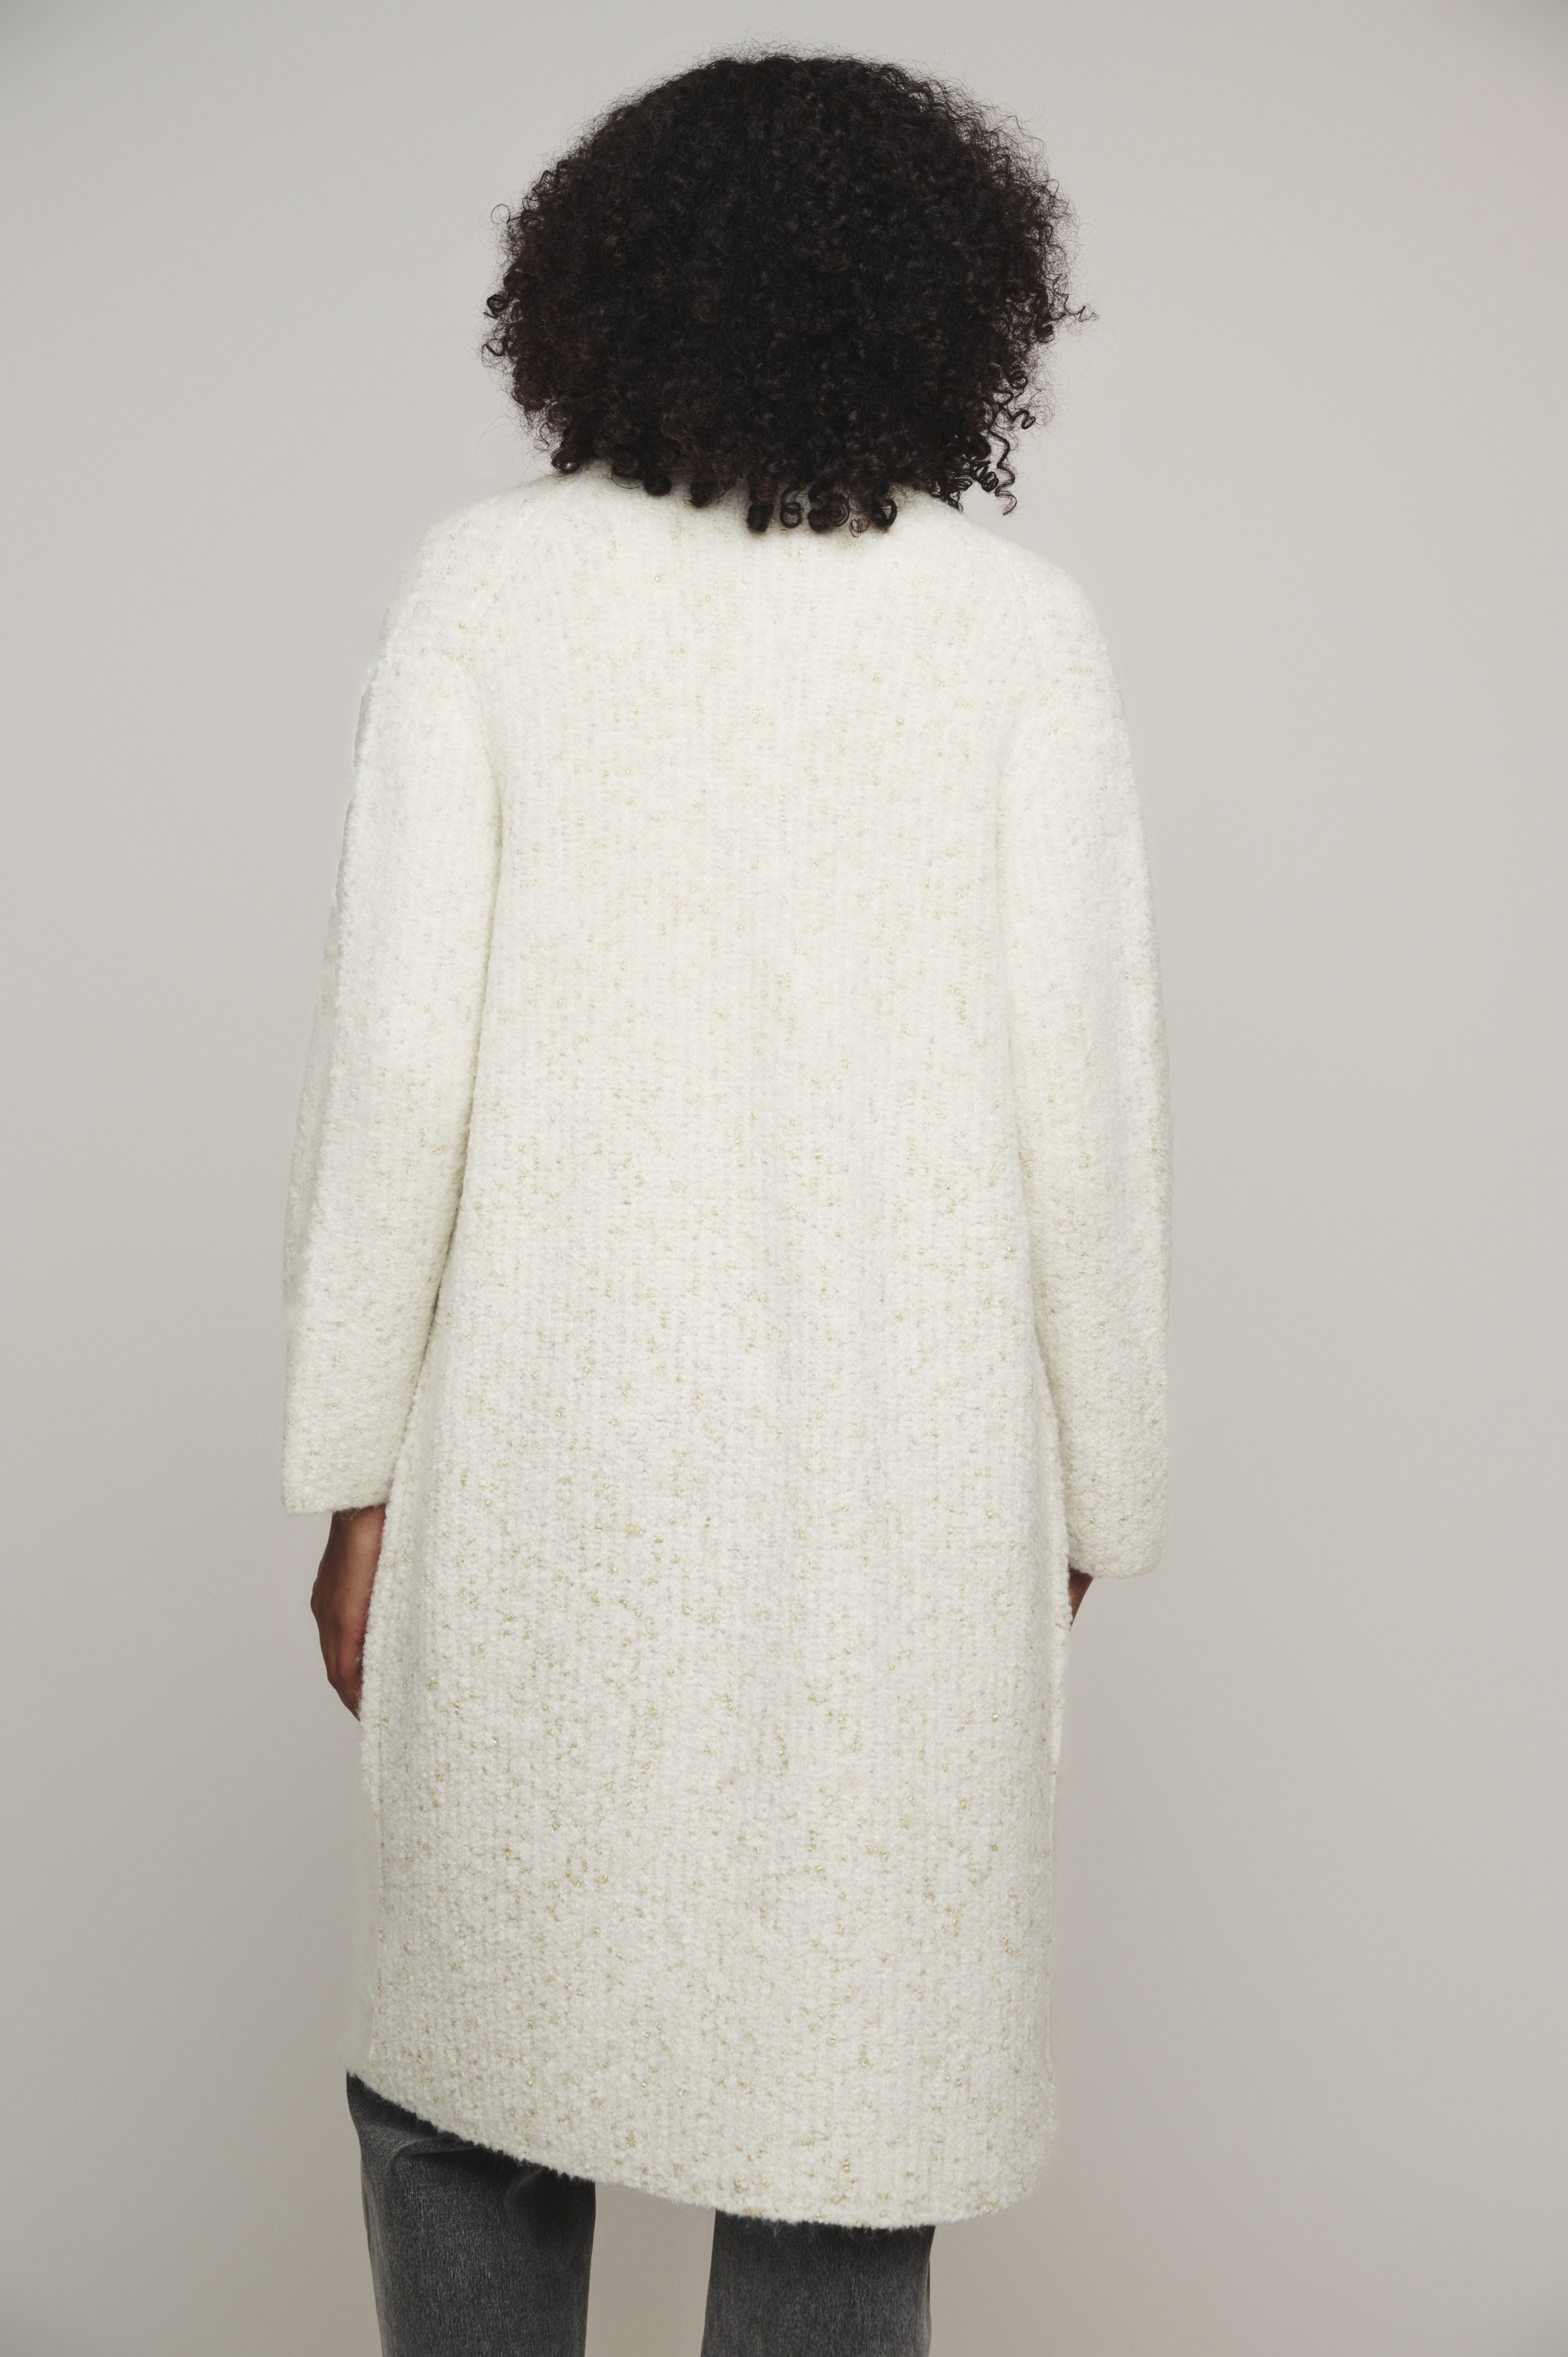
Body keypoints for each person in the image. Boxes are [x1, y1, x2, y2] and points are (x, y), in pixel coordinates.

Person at [286, 48, 1171, 2357]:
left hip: (548, 1459)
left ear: (600, 285)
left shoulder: (485, 593)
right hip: (903, 1478)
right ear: (951, 305)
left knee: (475, 2059)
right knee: (845, 2104)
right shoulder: (1011, 634)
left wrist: (353, 1471)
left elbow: (395, 1077)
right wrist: (1099, 1487)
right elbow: (1089, 1110)